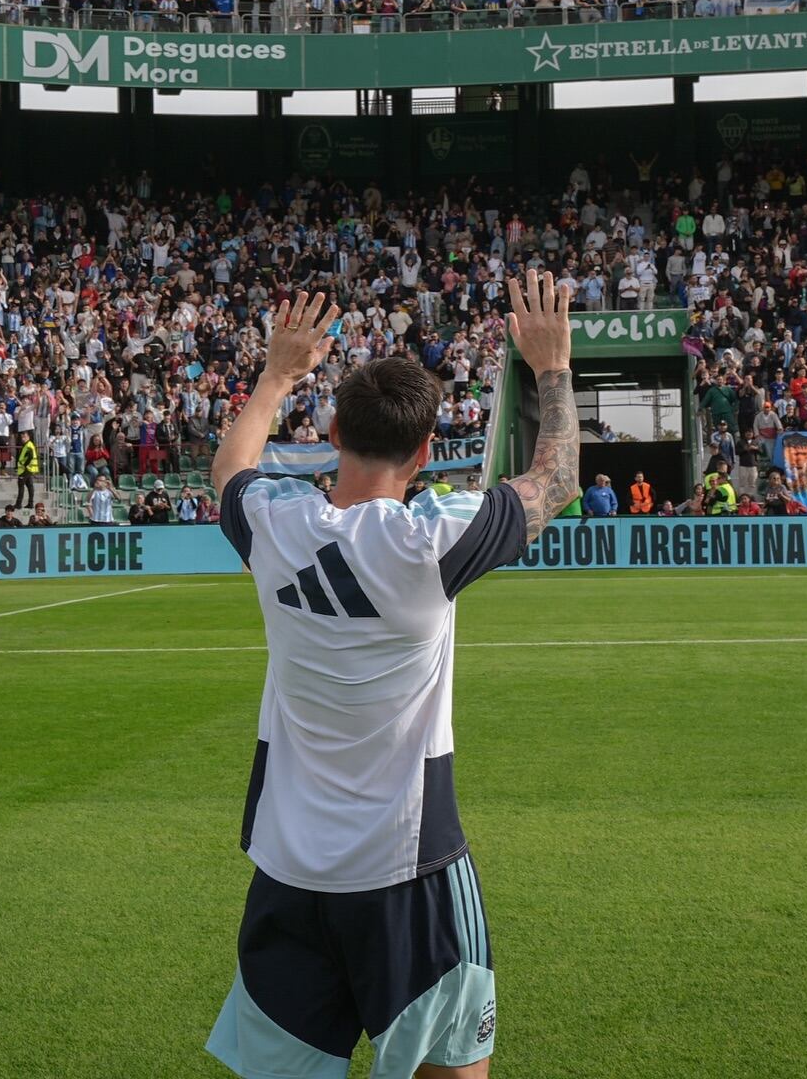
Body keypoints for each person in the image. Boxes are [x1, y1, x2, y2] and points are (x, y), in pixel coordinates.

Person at [206, 279, 578, 1079]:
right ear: (427, 451)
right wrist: (552, 367)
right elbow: (557, 481)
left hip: (287, 872)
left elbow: (231, 466)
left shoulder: (275, 523)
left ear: (335, 431)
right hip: (411, 873)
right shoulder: (435, 539)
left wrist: (277, 375)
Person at [16, 431, 39, 510]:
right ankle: (30, 503)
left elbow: (30, 456)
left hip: (26, 469)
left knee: (21, 485)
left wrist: (25, 465)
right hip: (29, 469)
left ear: (28, 437)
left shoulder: (28, 445)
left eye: (25, 437)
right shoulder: (28, 445)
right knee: (29, 486)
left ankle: (18, 504)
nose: (23, 439)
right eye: (22, 437)